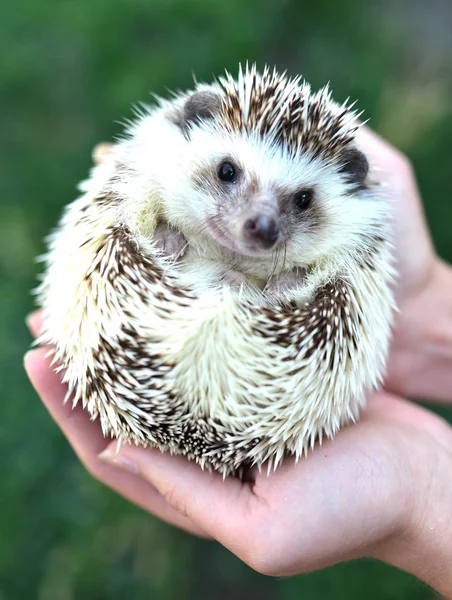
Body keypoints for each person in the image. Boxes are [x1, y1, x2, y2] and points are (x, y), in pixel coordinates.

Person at [25, 129, 452, 597]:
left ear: (350, 184)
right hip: (200, 289)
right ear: (191, 127)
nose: (261, 220)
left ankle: (253, 295)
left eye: (302, 201)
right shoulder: (160, 160)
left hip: (257, 336)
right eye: (229, 174)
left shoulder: (351, 236)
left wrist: (428, 497)